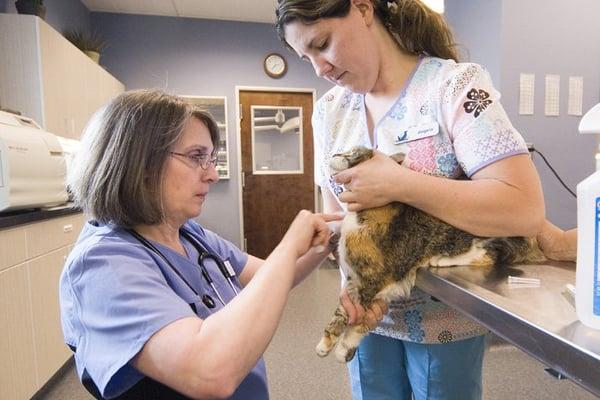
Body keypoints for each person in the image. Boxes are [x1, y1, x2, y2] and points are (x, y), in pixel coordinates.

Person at [275, 1, 545, 399]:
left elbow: (524, 208)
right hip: (371, 316)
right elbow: (338, 218)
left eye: (323, 44)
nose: (320, 69)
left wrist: (400, 184)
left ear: (363, 9)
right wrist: (350, 270)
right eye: (305, 58)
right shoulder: (330, 111)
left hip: (446, 320)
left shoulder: (454, 87)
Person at [59, 89, 360, 399]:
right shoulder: (103, 264)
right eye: (196, 157)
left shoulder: (189, 234)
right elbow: (210, 372)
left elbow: (275, 275)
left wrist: (326, 239)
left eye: (211, 159)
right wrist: (288, 246)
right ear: (138, 161)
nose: (213, 175)